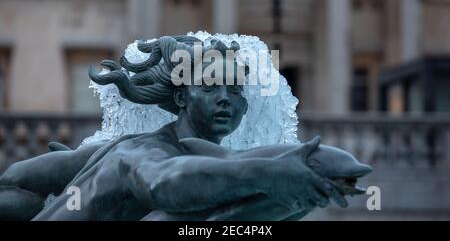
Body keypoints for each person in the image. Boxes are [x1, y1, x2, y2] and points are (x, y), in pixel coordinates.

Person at [1, 36, 347, 220]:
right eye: (210, 88)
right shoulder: (139, 153)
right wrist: (266, 173)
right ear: (181, 98)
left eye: (234, 90)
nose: (225, 99)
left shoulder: (120, 150)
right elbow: (164, 183)